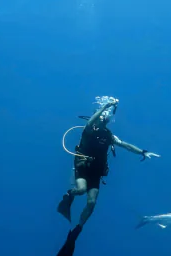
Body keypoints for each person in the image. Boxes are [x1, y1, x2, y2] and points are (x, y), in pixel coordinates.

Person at [57, 96, 159, 230]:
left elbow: (125, 145)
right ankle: (70, 195)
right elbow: (90, 122)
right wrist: (105, 106)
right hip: (83, 168)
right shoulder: (89, 131)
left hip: (96, 173)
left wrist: (142, 152)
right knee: (81, 190)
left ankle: (78, 227)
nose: (104, 118)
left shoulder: (109, 136)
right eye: (101, 116)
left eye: (106, 116)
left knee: (92, 202)